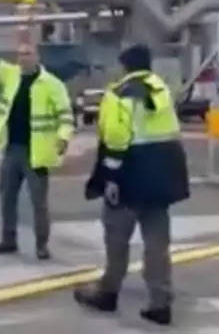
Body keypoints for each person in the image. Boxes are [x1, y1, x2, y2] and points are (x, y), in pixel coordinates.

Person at [74, 44, 190, 326]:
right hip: (163, 176)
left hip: (131, 174)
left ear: (124, 66)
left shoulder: (119, 94)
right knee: (157, 242)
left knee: (116, 236)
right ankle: (160, 302)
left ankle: (108, 292)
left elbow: (115, 138)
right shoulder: (162, 90)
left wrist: (110, 179)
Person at [0, 31, 75, 260]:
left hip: (37, 153)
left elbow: (66, 116)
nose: (23, 58)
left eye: (28, 54)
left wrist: (63, 138)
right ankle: (8, 240)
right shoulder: (11, 75)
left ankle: (42, 245)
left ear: (37, 56)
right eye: (20, 54)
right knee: (7, 197)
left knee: (39, 203)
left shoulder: (52, 85)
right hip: (12, 149)